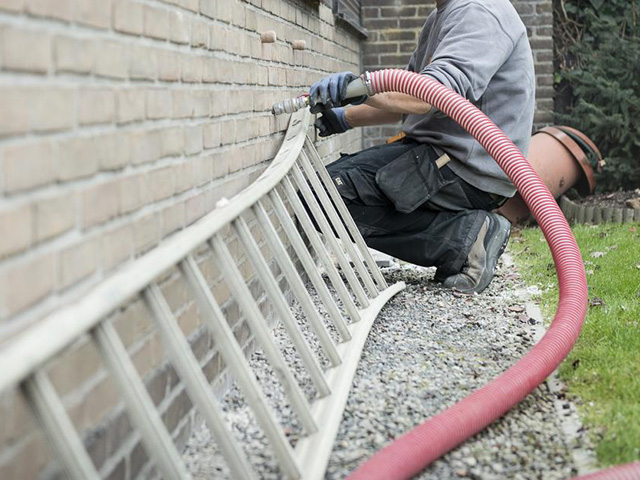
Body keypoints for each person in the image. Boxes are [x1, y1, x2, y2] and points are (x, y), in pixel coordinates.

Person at [307, 0, 535, 294]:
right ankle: (466, 234)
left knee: (321, 195)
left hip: (461, 168)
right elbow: (405, 98)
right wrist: (344, 118)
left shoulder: (479, 11)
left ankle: (464, 239)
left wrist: (361, 87)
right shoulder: (443, 15)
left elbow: (428, 96)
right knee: (322, 193)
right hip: (446, 158)